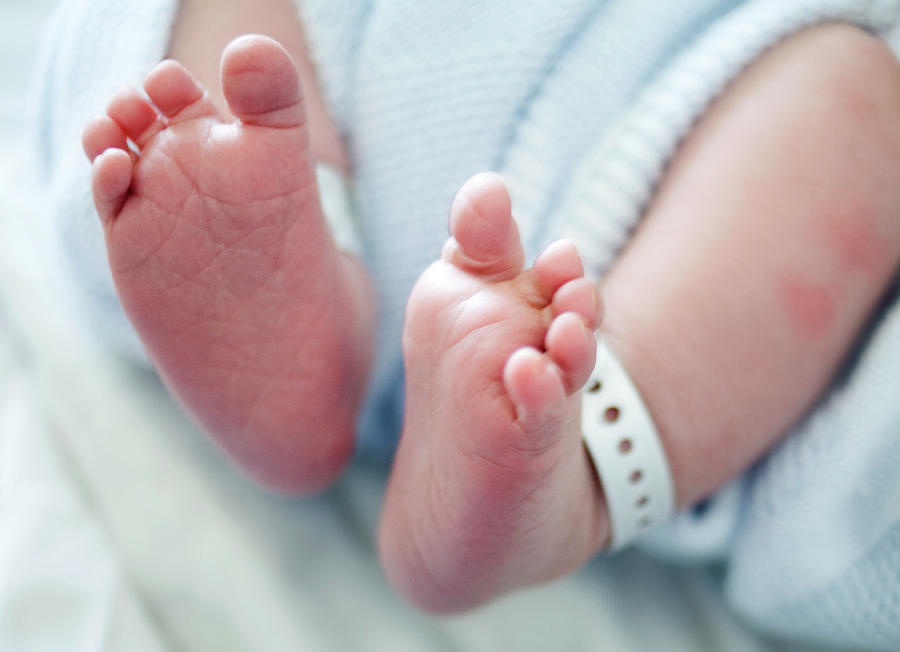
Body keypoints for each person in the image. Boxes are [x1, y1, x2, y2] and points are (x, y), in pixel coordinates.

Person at [39, 0, 900, 645]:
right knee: (863, 107)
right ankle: (314, 290)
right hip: (353, 101)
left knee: (867, 109)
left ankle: (578, 466)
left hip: (697, 160)